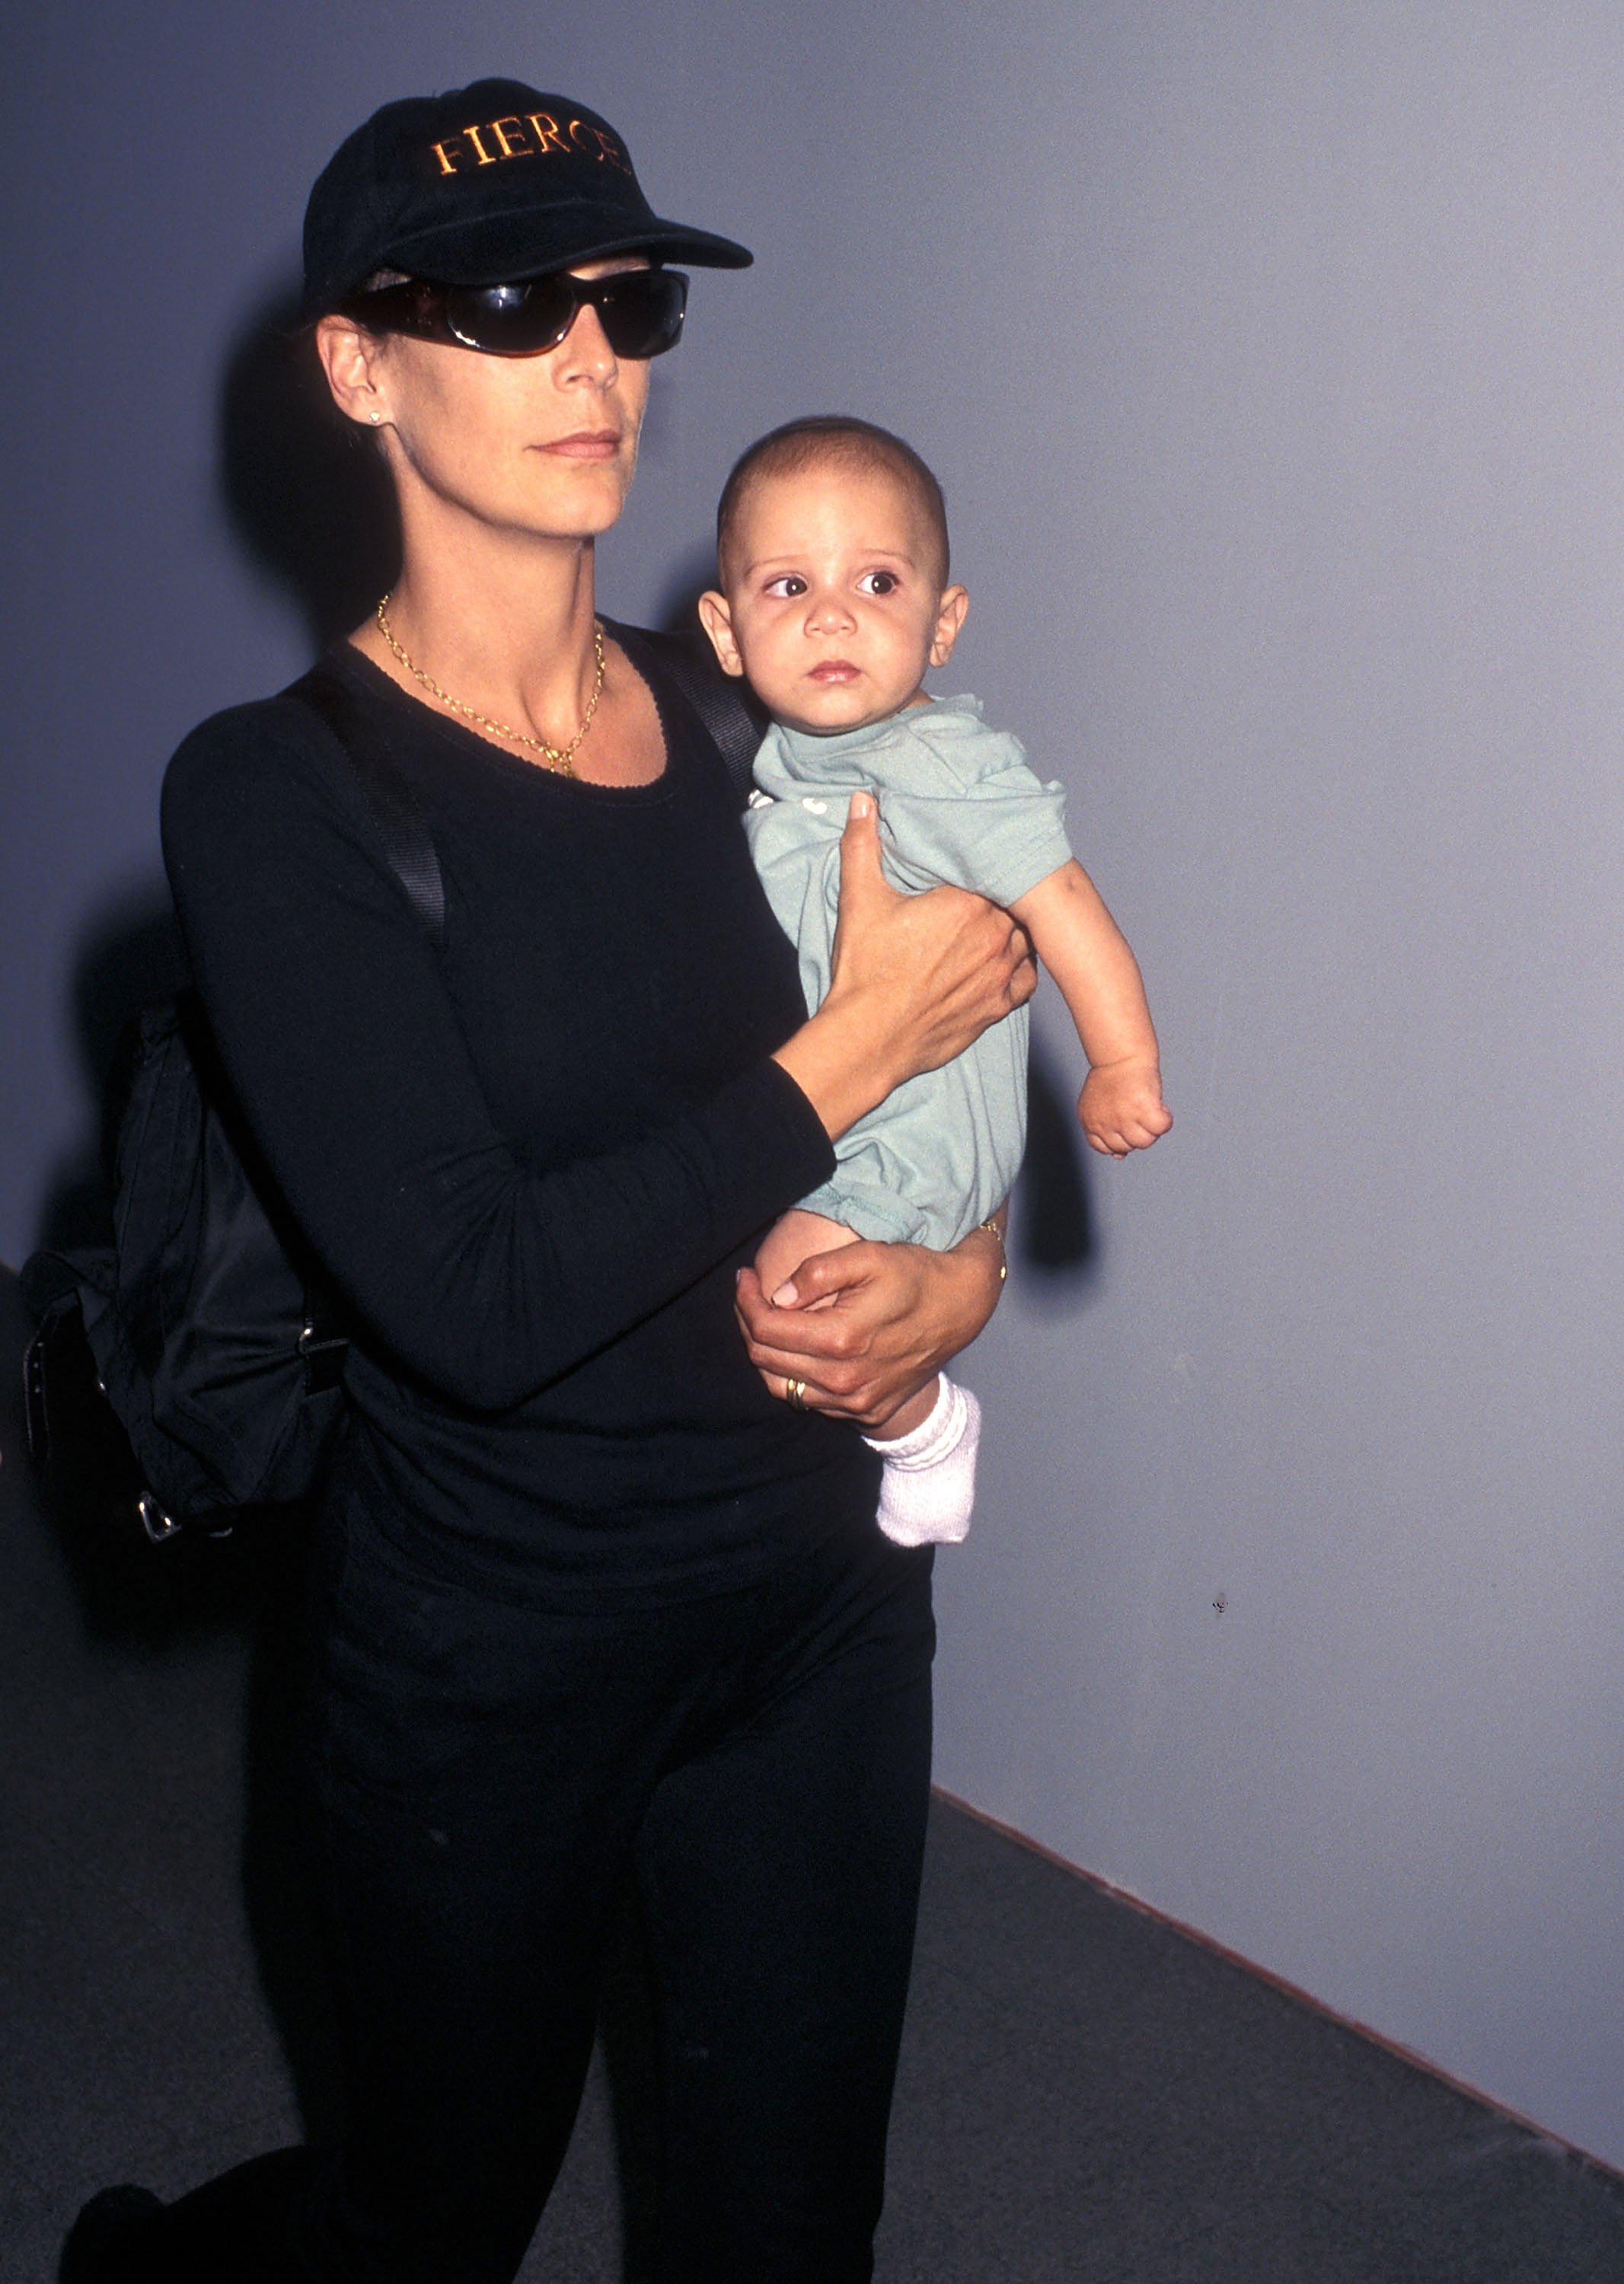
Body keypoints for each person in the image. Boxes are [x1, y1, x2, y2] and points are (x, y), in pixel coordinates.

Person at [62, 77, 1035, 2284]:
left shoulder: (751, 721)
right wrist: (848, 1040)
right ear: (354, 366)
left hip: (809, 1611)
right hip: (490, 1652)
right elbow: (479, 1295)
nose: (593, 355)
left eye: (620, 298)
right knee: (427, 2224)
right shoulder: (273, 801)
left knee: (788, 2231)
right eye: (508, 301)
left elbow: (959, 1059)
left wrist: (957, 1281)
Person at [697, 416, 1171, 1546]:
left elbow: (1062, 906)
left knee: (796, 1304)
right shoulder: (781, 759)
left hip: (910, 1134)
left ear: (943, 623)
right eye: (785, 585)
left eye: (876, 579)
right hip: (834, 1112)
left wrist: (1120, 1060)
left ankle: (923, 1429)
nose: (831, 614)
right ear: (724, 630)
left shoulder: (944, 765)